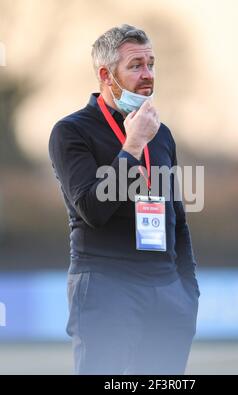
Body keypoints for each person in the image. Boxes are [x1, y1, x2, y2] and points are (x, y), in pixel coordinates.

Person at [48, 24, 200, 375]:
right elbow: (92, 209)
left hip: (166, 295)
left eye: (151, 64)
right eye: (135, 66)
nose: (148, 75)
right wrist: (131, 145)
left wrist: (186, 291)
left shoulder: (161, 135)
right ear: (106, 75)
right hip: (106, 288)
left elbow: (176, 218)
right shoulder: (71, 131)